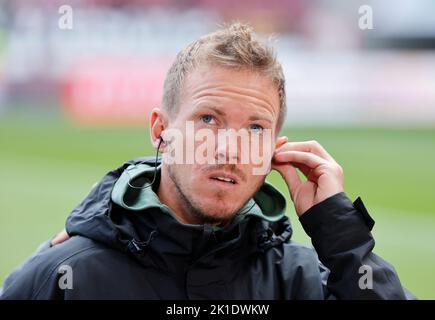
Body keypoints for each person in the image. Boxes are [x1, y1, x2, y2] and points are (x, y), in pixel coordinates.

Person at [0, 23, 413, 300]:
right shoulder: (64, 278)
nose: (229, 149)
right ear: (161, 128)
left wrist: (340, 236)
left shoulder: (305, 282)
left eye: (254, 129)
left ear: (275, 149)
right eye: (208, 119)